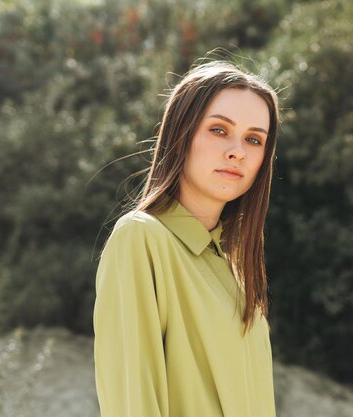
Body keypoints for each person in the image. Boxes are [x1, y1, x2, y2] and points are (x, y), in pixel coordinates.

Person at [93, 60, 280, 417]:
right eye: (219, 130)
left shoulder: (236, 273)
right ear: (181, 132)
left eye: (254, 139)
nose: (238, 151)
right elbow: (132, 404)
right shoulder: (141, 240)